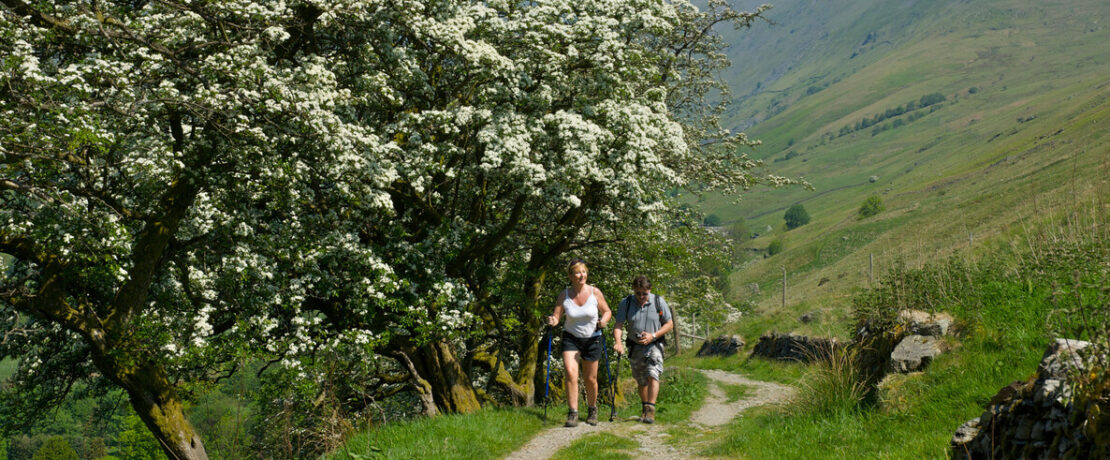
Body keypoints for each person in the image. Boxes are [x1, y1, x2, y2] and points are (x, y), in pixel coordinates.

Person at [545, 258, 612, 427]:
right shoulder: (564, 294)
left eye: (584, 272)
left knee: (590, 378)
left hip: (592, 338)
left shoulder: (595, 292)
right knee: (570, 372)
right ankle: (573, 412)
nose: (581, 275)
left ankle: (592, 409)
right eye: (577, 272)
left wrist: (603, 320)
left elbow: (607, 311)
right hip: (571, 338)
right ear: (570, 275)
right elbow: (557, 316)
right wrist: (552, 320)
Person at [613, 275, 672, 424]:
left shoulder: (659, 301)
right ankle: (645, 407)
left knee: (653, 373)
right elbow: (619, 324)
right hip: (635, 346)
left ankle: (651, 409)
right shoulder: (626, 303)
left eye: (644, 293)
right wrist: (618, 342)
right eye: (638, 293)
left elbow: (669, 324)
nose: (640, 296)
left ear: (649, 290)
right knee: (641, 380)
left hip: (654, 344)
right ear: (634, 290)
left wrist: (653, 335)